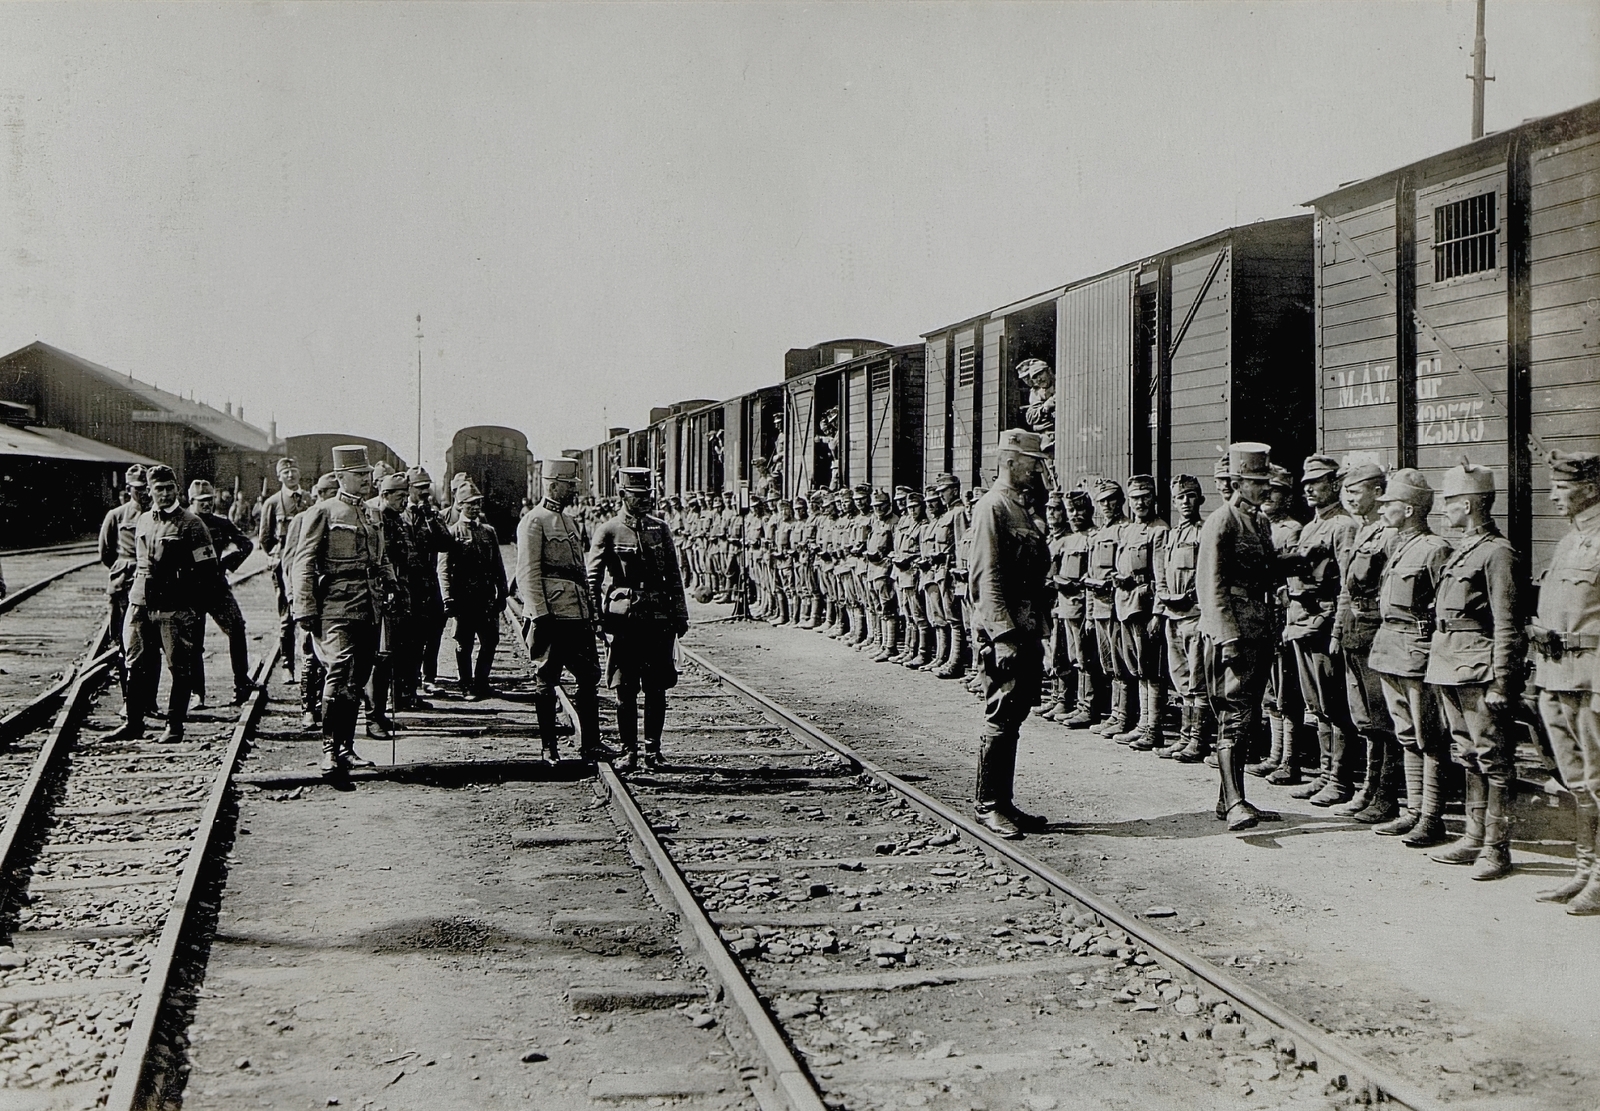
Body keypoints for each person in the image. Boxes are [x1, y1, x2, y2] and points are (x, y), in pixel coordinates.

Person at [1426, 458, 1524, 880]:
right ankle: (1472, 837)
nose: (1445, 510)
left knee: (1494, 760)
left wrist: (1503, 680)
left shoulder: (1497, 553)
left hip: (1478, 668)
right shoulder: (1466, 548)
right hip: (1450, 663)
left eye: (1450, 503)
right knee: (1466, 754)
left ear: (1467, 504)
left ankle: (1496, 848)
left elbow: (1507, 624)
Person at [967, 429, 1052, 839]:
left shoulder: (1020, 509)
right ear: (1010, 461)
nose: (1037, 469)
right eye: (1032, 462)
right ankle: (988, 805)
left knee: (1014, 714)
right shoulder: (993, 507)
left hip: (1026, 627)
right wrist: (1002, 636)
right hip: (1006, 632)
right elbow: (988, 578)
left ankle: (1004, 801)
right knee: (1000, 713)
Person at [1196, 442, 1282, 831]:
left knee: (1247, 716)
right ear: (1236, 482)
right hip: (1234, 630)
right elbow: (1211, 585)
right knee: (1233, 714)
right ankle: (1234, 802)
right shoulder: (1222, 521)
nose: (1265, 488)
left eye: (1265, 481)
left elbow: (1267, 573)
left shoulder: (1260, 523)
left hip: (1259, 627)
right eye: (1256, 482)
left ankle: (1228, 798)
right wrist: (1226, 636)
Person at [1367, 469, 1454, 845]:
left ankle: (1432, 816)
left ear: (1409, 509)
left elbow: (1443, 609)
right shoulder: (1399, 545)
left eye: (1389, 505)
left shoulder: (1435, 549)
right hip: (1390, 648)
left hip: (1417, 651)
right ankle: (1413, 811)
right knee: (1406, 734)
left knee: (1429, 735)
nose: (1383, 509)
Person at [292, 445, 390, 774]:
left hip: (369, 604)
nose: (367, 480)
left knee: (357, 679)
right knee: (339, 667)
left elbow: (382, 557)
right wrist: (304, 607)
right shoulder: (322, 512)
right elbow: (303, 561)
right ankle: (329, 751)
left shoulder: (373, 513)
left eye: (367, 475)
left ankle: (347, 748)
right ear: (340, 477)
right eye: (359, 475)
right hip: (335, 603)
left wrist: (390, 583)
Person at [1531, 451, 1600, 913]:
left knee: (1599, 780)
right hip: (1557, 674)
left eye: (1562, 486)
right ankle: (1583, 868)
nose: (1554, 494)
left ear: (1591, 488)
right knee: (1576, 780)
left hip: (1591, 675)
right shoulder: (1569, 540)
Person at [588, 468, 690, 771]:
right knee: (625, 688)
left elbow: (674, 574)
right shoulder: (608, 530)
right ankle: (629, 750)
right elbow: (592, 579)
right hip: (625, 621)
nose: (645, 500)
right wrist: (596, 619)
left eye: (648, 495)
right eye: (638, 496)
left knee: (657, 688)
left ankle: (653, 751)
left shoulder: (660, 529)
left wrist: (680, 613)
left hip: (658, 618)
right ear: (622, 495)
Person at [108, 465, 216, 744]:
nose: (165, 494)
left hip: (174, 606)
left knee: (178, 667)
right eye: (159, 489)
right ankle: (133, 723)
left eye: (169, 488)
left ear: (177, 490)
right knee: (135, 663)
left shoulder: (192, 524)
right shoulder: (143, 520)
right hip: (141, 601)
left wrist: (193, 608)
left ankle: (175, 726)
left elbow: (207, 570)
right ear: (150, 491)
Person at [517, 457, 606, 763]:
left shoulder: (569, 522)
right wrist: (540, 614)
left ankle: (591, 744)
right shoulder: (534, 521)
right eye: (569, 486)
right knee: (547, 680)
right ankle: (548, 748)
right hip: (552, 616)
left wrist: (592, 613)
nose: (573, 491)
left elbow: (581, 572)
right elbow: (527, 573)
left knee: (588, 678)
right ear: (553, 485)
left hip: (577, 613)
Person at [1329, 462, 1398, 819]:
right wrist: (1338, 630)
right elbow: (1346, 589)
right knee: (1364, 717)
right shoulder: (1362, 531)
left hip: (1375, 632)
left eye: (1356, 492)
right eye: (1347, 493)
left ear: (1377, 492)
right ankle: (1368, 788)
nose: (1350, 498)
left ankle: (1386, 795)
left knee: (1383, 717)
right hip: (1355, 631)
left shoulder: (1389, 534)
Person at [187, 479, 256, 708]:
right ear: (191, 501)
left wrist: (227, 562)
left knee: (236, 629)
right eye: (201, 502)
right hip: (190, 591)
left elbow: (246, 545)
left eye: (209, 501)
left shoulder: (221, 523)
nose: (207, 505)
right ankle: (197, 692)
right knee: (194, 643)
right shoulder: (181, 523)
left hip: (216, 588)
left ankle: (241, 683)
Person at [1113, 475, 1168, 748]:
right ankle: (1142, 723)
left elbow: (1160, 575)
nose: (1140, 502)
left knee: (1151, 668)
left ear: (1153, 499)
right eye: (1135, 498)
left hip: (1144, 605)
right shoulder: (1128, 530)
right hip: (1126, 604)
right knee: (1138, 668)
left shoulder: (1159, 530)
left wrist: (1158, 613)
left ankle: (1152, 728)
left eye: (1145, 497)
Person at [443, 482, 509, 701]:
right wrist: (447, 597)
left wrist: (503, 591)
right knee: (464, 643)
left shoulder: (488, 532)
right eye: (469, 504)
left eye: (477, 503)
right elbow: (443, 568)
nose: (474, 507)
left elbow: (498, 565)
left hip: (486, 597)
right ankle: (466, 686)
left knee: (490, 641)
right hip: (464, 598)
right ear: (460, 505)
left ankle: (482, 682)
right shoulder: (453, 532)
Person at [1157, 476, 1207, 760]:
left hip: (1194, 615)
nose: (1185, 503)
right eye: (1180, 498)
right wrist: (1165, 595)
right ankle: (1185, 736)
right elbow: (1162, 572)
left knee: (1197, 679)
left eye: (1190, 497)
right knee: (1180, 676)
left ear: (1199, 499)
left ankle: (1198, 740)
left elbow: (1204, 573)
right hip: (1173, 615)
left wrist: (1187, 596)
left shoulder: (1203, 532)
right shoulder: (1173, 535)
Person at [285, 473, 340, 729]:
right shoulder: (303, 519)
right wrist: (295, 598)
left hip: (333, 599)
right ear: (320, 494)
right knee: (310, 656)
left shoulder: (341, 516)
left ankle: (327, 706)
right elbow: (291, 562)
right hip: (311, 596)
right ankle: (308, 708)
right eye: (331, 493)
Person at [99, 466, 152, 709]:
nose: (143, 493)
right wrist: (125, 569)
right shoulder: (116, 516)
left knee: (150, 648)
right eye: (138, 489)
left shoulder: (156, 515)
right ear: (128, 489)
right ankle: (128, 700)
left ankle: (149, 702)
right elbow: (106, 553)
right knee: (123, 647)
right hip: (123, 589)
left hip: (151, 588)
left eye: (146, 488)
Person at [257, 456, 314, 682]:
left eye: (294, 471)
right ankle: (288, 666)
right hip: (285, 566)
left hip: (309, 563)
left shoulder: (310, 499)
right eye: (286, 473)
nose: (290, 475)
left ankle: (311, 664)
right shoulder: (272, 503)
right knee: (287, 616)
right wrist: (281, 555)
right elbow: (265, 538)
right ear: (279, 477)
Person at [367, 471, 414, 735]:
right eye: (400, 496)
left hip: (397, 594)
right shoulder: (375, 518)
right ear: (384, 495)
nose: (405, 501)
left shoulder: (398, 520)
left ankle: (381, 714)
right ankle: (372, 718)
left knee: (389, 658)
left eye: (406, 496)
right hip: (381, 595)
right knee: (379, 657)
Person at [403, 467, 452, 697]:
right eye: (419, 488)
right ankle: (407, 687)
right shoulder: (399, 514)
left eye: (426, 487)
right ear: (409, 488)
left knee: (433, 632)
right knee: (409, 638)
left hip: (428, 584)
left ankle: (429, 678)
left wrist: (430, 517)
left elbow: (445, 544)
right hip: (406, 585)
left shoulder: (433, 515)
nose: (424, 492)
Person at [1087, 481, 1128, 736]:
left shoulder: (1125, 530)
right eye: (1102, 501)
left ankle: (1123, 716)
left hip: (1116, 605)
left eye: (1111, 499)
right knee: (1107, 663)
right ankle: (1114, 714)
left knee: (1120, 662)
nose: (1107, 505)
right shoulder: (1099, 532)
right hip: (1100, 606)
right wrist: (1091, 612)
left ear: (1120, 500)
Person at [930, 473, 970, 679]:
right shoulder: (947, 514)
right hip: (941, 571)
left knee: (955, 619)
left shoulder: (959, 513)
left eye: (943, 491)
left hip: (952, 573)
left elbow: (963, 545)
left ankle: (956, 662)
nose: (941, 495)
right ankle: (950, 659)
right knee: (948, 616)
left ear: (954, 490)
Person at [866, 489, 900, 662]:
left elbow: (897, 547)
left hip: (884, 570)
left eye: (881, 505)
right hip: (872, 569)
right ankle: (880, 642)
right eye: (875, 506)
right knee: (877, 607)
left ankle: (890, 647)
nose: (878, 508)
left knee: (888, 608)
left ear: (888, 505)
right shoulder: (875, 520)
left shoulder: (894, 521)